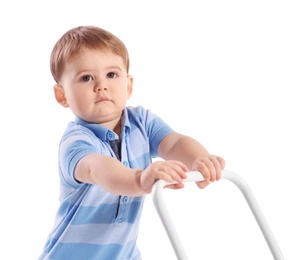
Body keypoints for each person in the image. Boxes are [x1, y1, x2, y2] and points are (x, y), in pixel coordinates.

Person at [38, 25, 225, 260]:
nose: (101, 85)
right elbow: (97, 169)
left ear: (128, 85)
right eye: (86, 78)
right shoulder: (76, 141)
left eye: (112, 75)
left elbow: (174, 143)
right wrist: (140, 179)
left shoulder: (142, 122)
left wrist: (199, 159)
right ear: (62, 95)